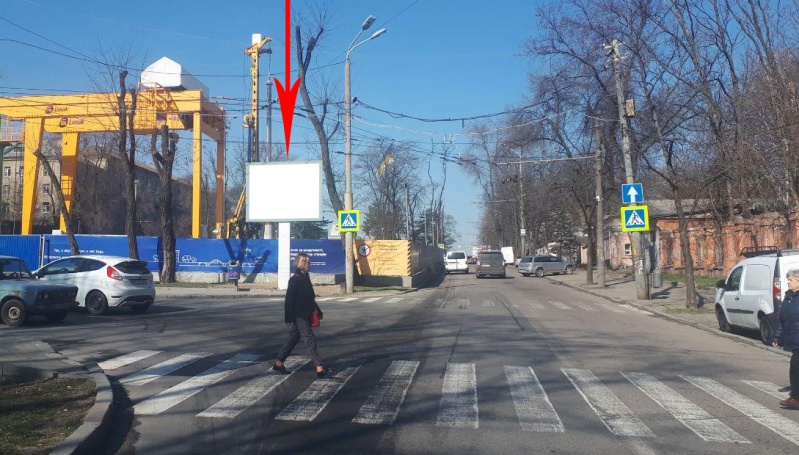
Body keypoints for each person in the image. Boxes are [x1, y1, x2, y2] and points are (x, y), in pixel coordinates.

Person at [273, 253, 331, 378]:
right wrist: (288, 318)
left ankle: (279, 363)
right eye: (308, 262)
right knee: (310, 339)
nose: (310, 264)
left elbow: (311, 298)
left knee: (293, 339)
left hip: (306, 313)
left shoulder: (306, 277)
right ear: (302, 264)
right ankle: (319, 367)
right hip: (299, 315)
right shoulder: (295, 279)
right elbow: (289, 301)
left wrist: (318, 311)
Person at [773, 268, 799, 409]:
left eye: (791, 280)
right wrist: (777, 338)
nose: (788, 282)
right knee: (795, 367)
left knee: (795, 367)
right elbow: (782, 320)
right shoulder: (789, 297)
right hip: (793, 337)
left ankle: (795, 398)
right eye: (788, 280)